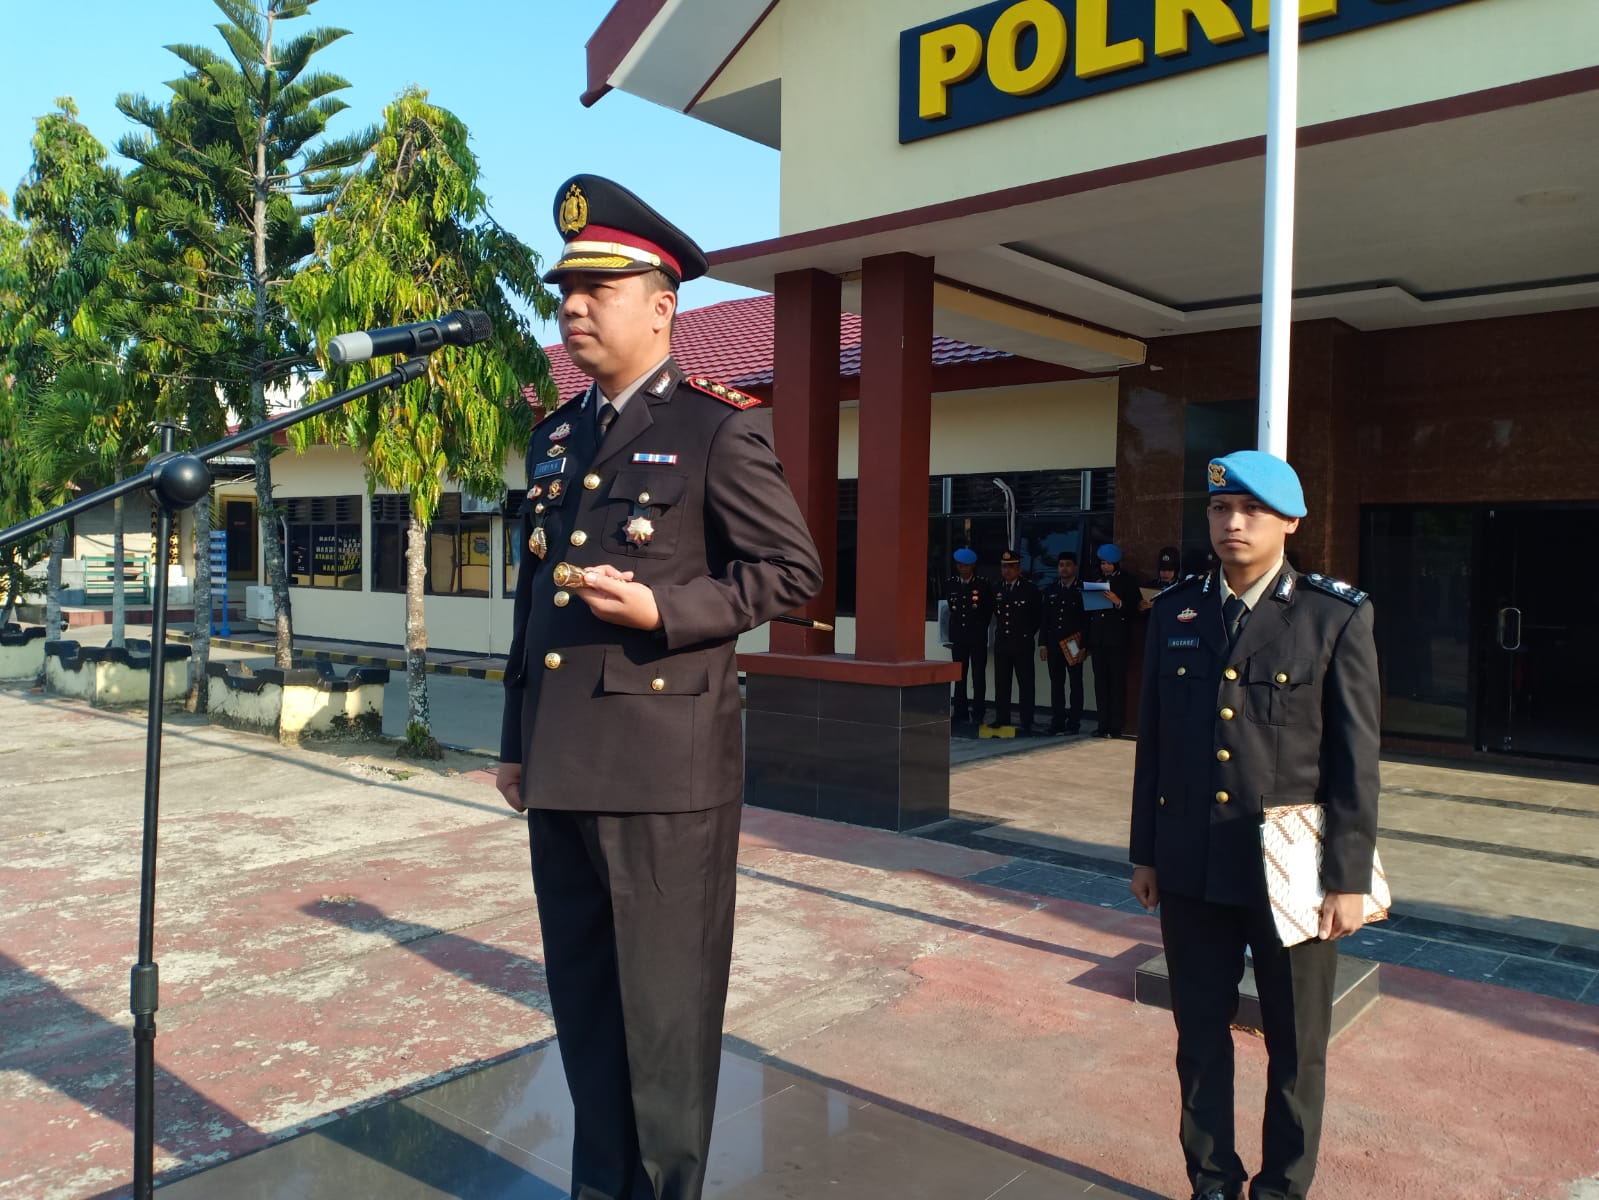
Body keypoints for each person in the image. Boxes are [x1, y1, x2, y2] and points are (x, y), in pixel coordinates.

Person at [493, 174, 822, 1200]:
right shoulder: (556, 437)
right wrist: (514, 743)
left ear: (661, 306)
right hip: (561, 770)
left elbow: (793, 573)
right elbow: (533, 606)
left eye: (598, 289)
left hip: (662, 781)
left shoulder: (720, 430)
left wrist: (664, 611)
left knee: (663, 1024)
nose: (574, 308)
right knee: (587, 1011)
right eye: (565, 292)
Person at [1128, 449, 1380, 1200]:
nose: (1231, 523)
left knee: (1297, 1047)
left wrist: (1347, 880)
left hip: (1293, 877)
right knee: (1199, 1037)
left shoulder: (1334, 616)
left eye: (1252, 511)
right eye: (1219, 508)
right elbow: (1154, 747)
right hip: (1191, 867)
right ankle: (1211, 1180)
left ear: (1290, 522)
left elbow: (1355, 763)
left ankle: (1281, 1188)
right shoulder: (1174, 611)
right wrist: (1145, 854)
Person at [1085, 542, 1140, 736]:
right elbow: (1090, 614)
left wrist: (1118, 602)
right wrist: (1087, 642)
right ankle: (1102, 725)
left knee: (1117, 683)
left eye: (1108, 564)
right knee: (1100, 684)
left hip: (1117, 640)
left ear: (1116, 563)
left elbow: (1135, 609)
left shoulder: (1127, 581)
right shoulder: (1096, 579)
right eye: (1102, 563)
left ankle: (1116, 726)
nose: (1105, 567)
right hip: (1098, 640)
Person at [991, 548, 1042, 734]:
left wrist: (1027, 634)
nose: (1007, 571)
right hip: (1002, 643)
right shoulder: (997, 588)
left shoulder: (1029, 589)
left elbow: (1037, 617)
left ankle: (1027, 720)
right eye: (1004, 567)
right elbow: (996, 614)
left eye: (1011, 567)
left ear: (1019, 569)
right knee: (1002, 683)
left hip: (1022, 644)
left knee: (1026, 684)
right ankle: (1001, 718)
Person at [945, 547, 995, 725]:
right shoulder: (951, 583)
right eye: (959, 565)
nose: (962, 568)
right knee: (959, 676)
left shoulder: (982, 584)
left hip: (977, 636)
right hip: (959, 637)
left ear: (973, 565)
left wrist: (980, 628)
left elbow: (988, 610)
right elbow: (950, 610)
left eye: (966, 565)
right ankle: (960, 712)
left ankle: (978, 713)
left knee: (978, 676)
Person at [1039, 551, 1086, 734]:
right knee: (1056, 684)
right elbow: (1045, 619)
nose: (1064, 568)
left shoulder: (1082, 589)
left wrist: (1084, 646)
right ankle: (1057, 721)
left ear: (1075, 567)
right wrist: (1043, 644)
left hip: (1074, 643)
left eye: (1068, 565)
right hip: (1054, 644)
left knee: (1075, 683)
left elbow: (1087, 620)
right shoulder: (1051, 589)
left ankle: (1074, 723)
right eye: (1061, 565)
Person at [1141, 545, 1183, 611]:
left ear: (1176, 570)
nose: (1166, 573)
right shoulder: (1149, 586)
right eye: (1163, 569)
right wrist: (1142, 607)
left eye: (1170, 570)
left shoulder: (1183, 587)